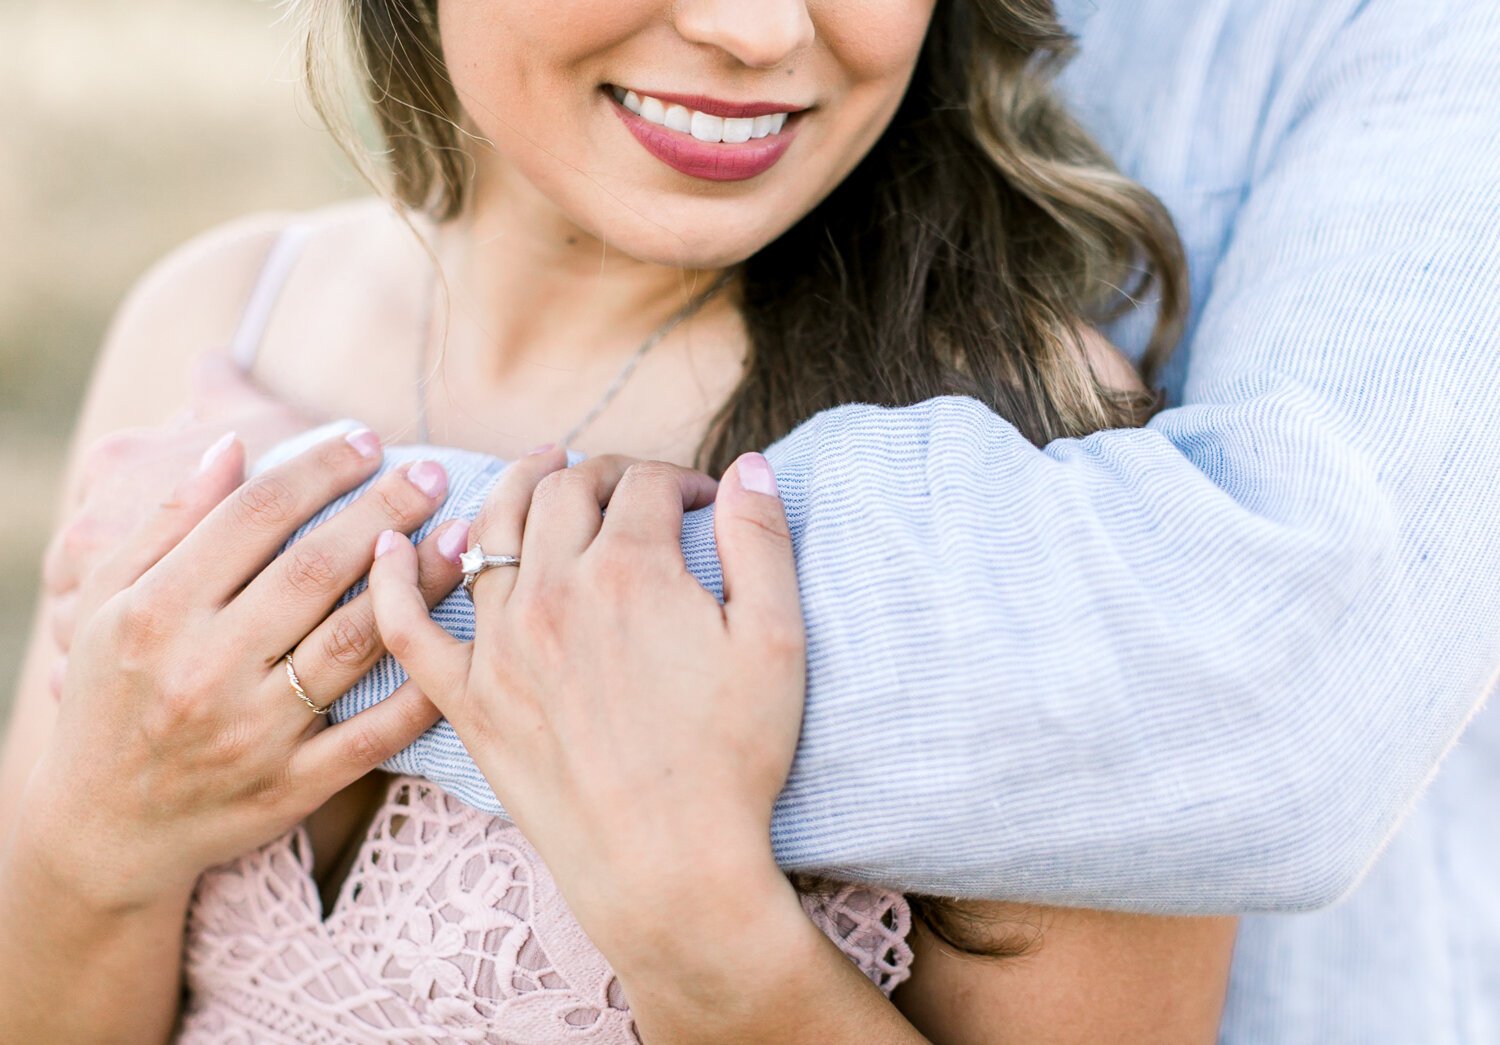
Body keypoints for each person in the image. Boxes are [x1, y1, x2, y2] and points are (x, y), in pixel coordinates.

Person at [4, 0, 1499, 1040]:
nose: (756, 26)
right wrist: (92, 846)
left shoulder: (1023, 451)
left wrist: (704, 937)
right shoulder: (220, 320)